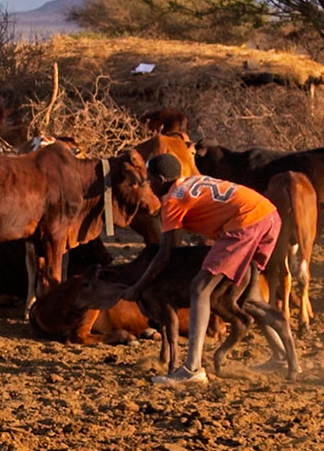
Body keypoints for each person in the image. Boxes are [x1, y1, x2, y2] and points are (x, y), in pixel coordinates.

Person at [121, 153, 287, 386]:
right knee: (250, 295)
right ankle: (280, 354)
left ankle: (192, 368)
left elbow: (165, 254)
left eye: (150, 180)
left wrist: (137, 288)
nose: (149, 185)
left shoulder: (172, 200)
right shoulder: (190, 182)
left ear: (160, 179)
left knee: (199, 289)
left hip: (246, 221)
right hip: (269, 215)